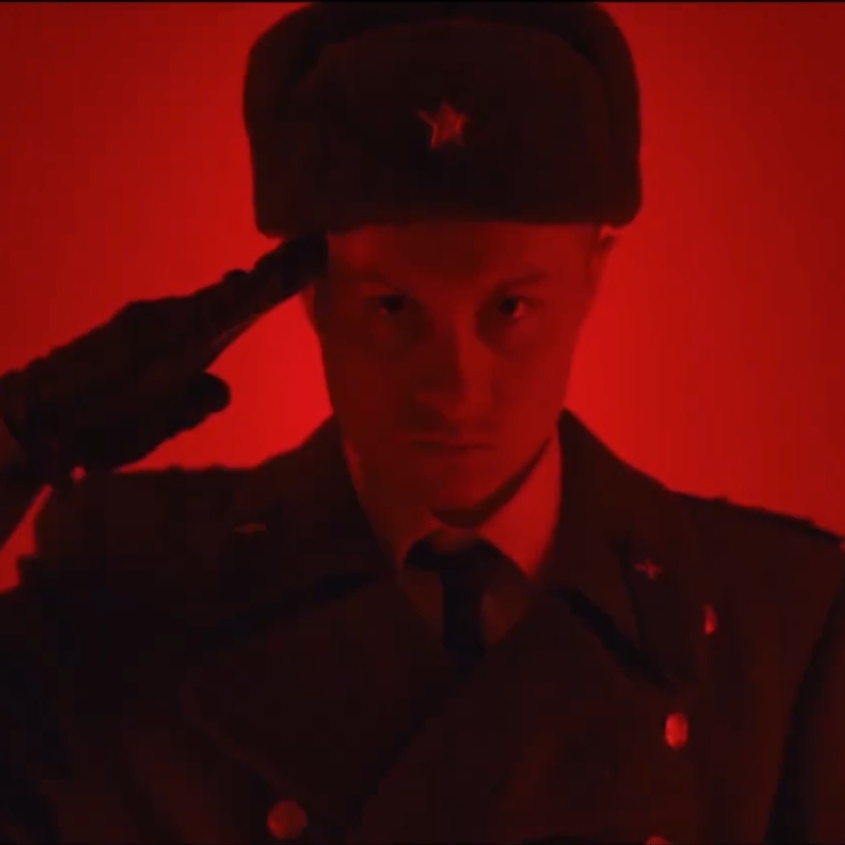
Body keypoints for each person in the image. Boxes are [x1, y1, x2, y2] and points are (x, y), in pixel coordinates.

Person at [0, 3, 843, 843]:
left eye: (510, 307)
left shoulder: (777, 625)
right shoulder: (125, 588)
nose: (454, 384)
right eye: (392, 307)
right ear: (311, 292)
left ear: (594, 274)